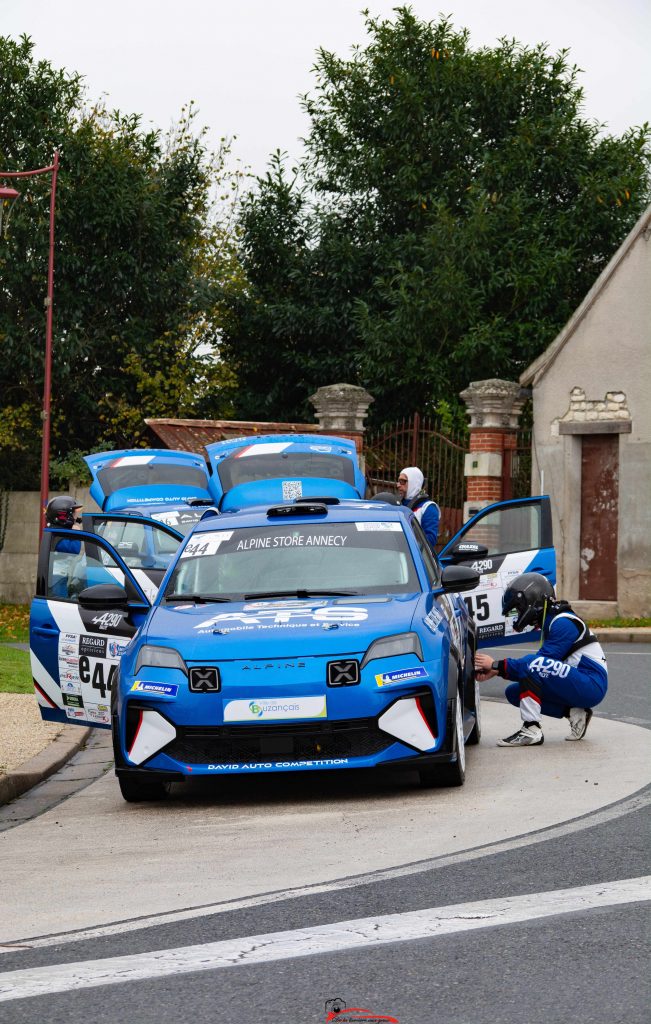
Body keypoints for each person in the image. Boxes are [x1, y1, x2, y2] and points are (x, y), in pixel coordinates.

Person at [475, 572, 608, 747]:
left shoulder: (563, 622)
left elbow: (536, 665)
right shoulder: (554, 621)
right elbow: (539, 669)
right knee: (514, 693)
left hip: (591, 685)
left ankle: (531, 730)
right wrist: (497, 671)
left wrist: (495, 665)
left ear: (532, 600)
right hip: (582, 682)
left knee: (531, 664)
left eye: (519, 608)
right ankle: (576, 713)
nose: (517, 615)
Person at [396, 467, 440, 548]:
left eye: (402, 481)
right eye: (398, 481)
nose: (398, 485)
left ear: (414, 483)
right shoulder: (397, 505)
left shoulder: (428, 508)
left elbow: (430, 540)